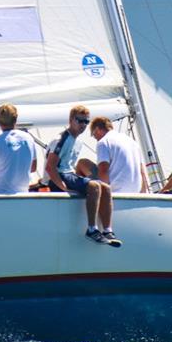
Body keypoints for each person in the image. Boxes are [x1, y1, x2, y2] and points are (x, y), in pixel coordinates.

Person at [44, 105, 118, 247]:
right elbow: (50, 167)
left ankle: (108, 230)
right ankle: (91, 229)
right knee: (94, 186)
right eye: (80, 121)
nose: (83, 125)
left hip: (69, 174)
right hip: (59, 176)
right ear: (71, 120)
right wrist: (63, 187)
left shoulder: (78, 141)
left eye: (86, 122)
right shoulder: (62, 138)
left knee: (106, 188)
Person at [90, 117, 148, 242]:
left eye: (93, 134)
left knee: (82, 164)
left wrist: (104, 195)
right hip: (135, 192)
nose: (95, 138)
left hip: (115, 192)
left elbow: (103, 169)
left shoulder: (103, 142)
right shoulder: (132, 142)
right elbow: (142, 171)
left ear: (98, 129)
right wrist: (145, 197)